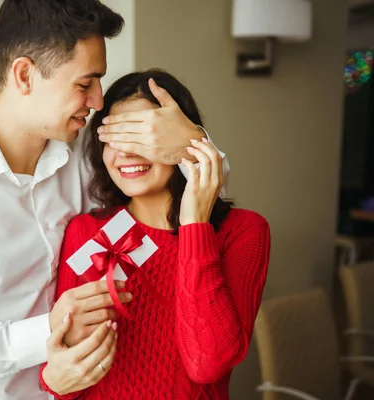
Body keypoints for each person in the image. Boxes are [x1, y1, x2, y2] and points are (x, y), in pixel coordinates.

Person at [0, 1, 229, 399]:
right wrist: (44, 333)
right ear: (25, 75)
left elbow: (197, 178)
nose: (98, 101)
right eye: (84, 84)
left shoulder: (85, 153)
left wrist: (190, 138)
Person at [39, 69, 270, 399]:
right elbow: (70, 375)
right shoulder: (89, 232)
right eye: (115, 139)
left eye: (141, 137)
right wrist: (55, 379)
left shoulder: (243, 232)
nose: (127, 153)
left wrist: (194, 225)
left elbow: (207, 365)